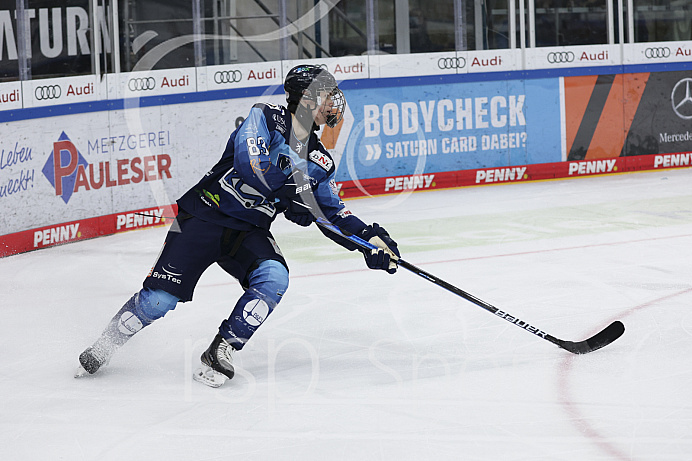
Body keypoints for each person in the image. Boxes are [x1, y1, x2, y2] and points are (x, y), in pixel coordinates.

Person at [76, 64, 401, 388]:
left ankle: (222, 348)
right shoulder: (266, 117)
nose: (333, 104)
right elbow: (249, 165)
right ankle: (105, 345)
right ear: (306, 99)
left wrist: (372, 241)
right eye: (327, 96)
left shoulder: (320, 161)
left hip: (248, 230)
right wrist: (290, 192)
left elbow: (333, 215)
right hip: (202, 216)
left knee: (275, 277)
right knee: (158, 302)